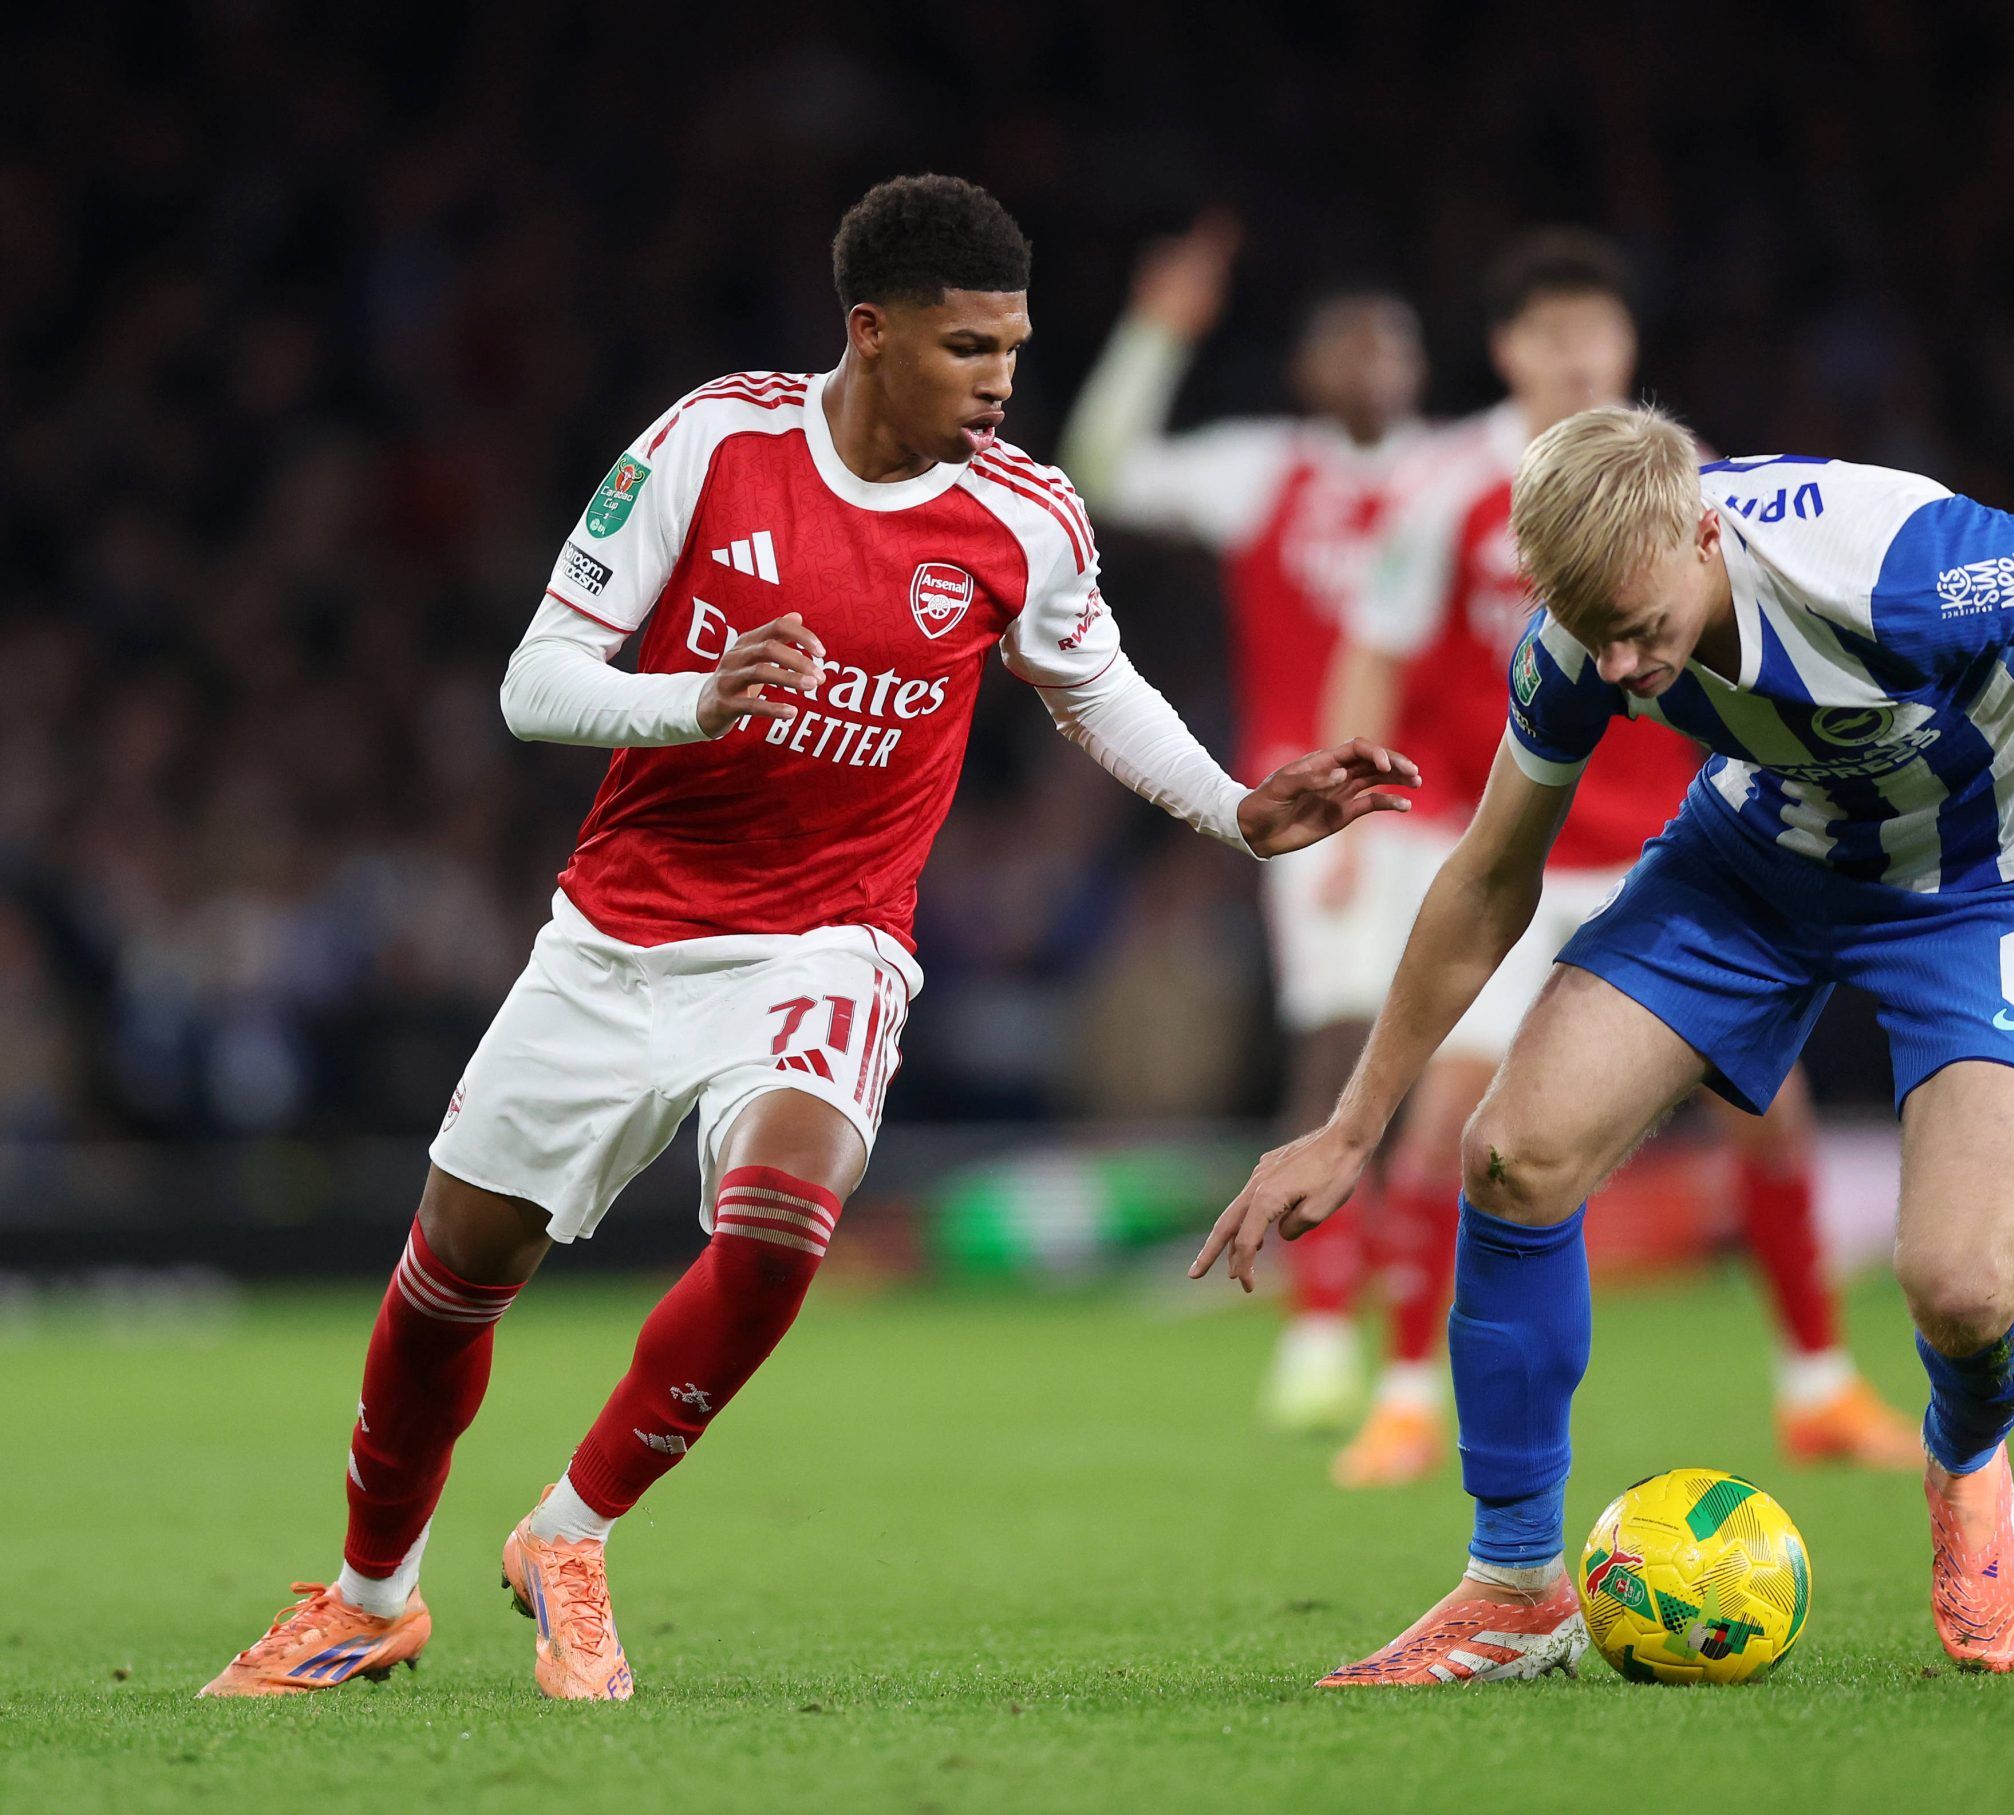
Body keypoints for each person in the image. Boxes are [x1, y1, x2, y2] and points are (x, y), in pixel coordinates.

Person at [201, 174, 1415, 1702]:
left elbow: (1095, 688)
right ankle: (369, 1595)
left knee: (783, 1220)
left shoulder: (1023, 518)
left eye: (1016, 350)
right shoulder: (714, 439)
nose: (1000, 381)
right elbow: (535, 679)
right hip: (615, 934)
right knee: (450, 1278)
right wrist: (687, 701)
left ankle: (569, 1530)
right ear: (873, 330)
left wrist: (1239, 811)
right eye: (971, 347)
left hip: (826, 942)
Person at [1195, 403, 2014, 1682]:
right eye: (1599, 635)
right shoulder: (1579, 634)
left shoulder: (1895, 564)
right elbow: (1485, 879)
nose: (1627, 667)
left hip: (1992, 880)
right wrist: (1353, 1125)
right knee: (1510, 1156)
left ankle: (1963, 1453)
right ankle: (1514, 1589)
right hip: (1759, 864)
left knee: (1963, 1292)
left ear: (1702, 532)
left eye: (1645, 629)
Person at [1317, 231, 1918, 1491]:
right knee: (1450, 1120)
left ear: (1628, 343)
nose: (1576, 350)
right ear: (1506, 348)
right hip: (1518, 848)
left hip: (1668, 850)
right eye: (1550, 330)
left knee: (1770, 1116)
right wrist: (1347, 792)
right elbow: (1374, 639)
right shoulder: (1444, 488)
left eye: (1596, 326)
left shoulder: (1682, 486)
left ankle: (1815, 1386)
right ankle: (1405, 1396)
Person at [1058, 215, 1429, 1435]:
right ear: (1310, 372)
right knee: (1334, 1048)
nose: (1376, 364)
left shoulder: (1466, 471)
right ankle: (1323, 1326)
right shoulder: (1266, 468)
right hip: (1318, 806)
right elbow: (1103, 467)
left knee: (1458, 1077)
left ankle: (1422, 1338)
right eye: (1353, 346)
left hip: (1457, 800)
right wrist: (1155, 336)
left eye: (1395, 345)